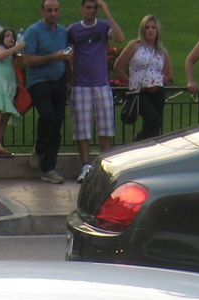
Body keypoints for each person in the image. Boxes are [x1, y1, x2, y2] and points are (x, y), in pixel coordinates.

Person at [67, 0, 122, 180]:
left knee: (105, 128)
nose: (92, 11)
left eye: (95, 7)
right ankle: (85, 165)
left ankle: (104, 167)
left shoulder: (103, 26)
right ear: (82, 8)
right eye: (89, 7)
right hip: (81, 83)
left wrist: (106, 11)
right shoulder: (74, 29)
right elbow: (67, 54)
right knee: (82, 129)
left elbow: (120, 38)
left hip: (101, 83)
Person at [22, 0, 72, 184]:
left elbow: (66, 57)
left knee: (57, 124)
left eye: (56, 10)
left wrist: (69, 79)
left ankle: (48, 168)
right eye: (49, 10)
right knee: (48, 115)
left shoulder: (63, 32)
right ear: (42, 11)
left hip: (58, 80)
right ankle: (39, 148)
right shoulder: (33, 31)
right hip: (39, 81)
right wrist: (53, 57)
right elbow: (28, 60)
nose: (53, 13)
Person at [114, 15, 171, 142]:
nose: (150, 30)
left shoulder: (161, 51)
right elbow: (118, 67)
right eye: (147, 28)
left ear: (158, 31)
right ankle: (139, 138)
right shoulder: (134, 46)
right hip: (141, 92)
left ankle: (148, 148)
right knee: (153, 119)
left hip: (157, 92)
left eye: (153, 28)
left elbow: (168, 73)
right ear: (143, 30)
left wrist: (160, 81)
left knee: (156, 125)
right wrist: (131, 82)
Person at [0, 26, 25, 156]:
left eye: (12, 37)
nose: (11, 38)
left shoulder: (13, 56)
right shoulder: (0, 49)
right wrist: (18, 47)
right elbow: (1, 55)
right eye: (7, 36)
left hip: (8, 84)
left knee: (6, 111)